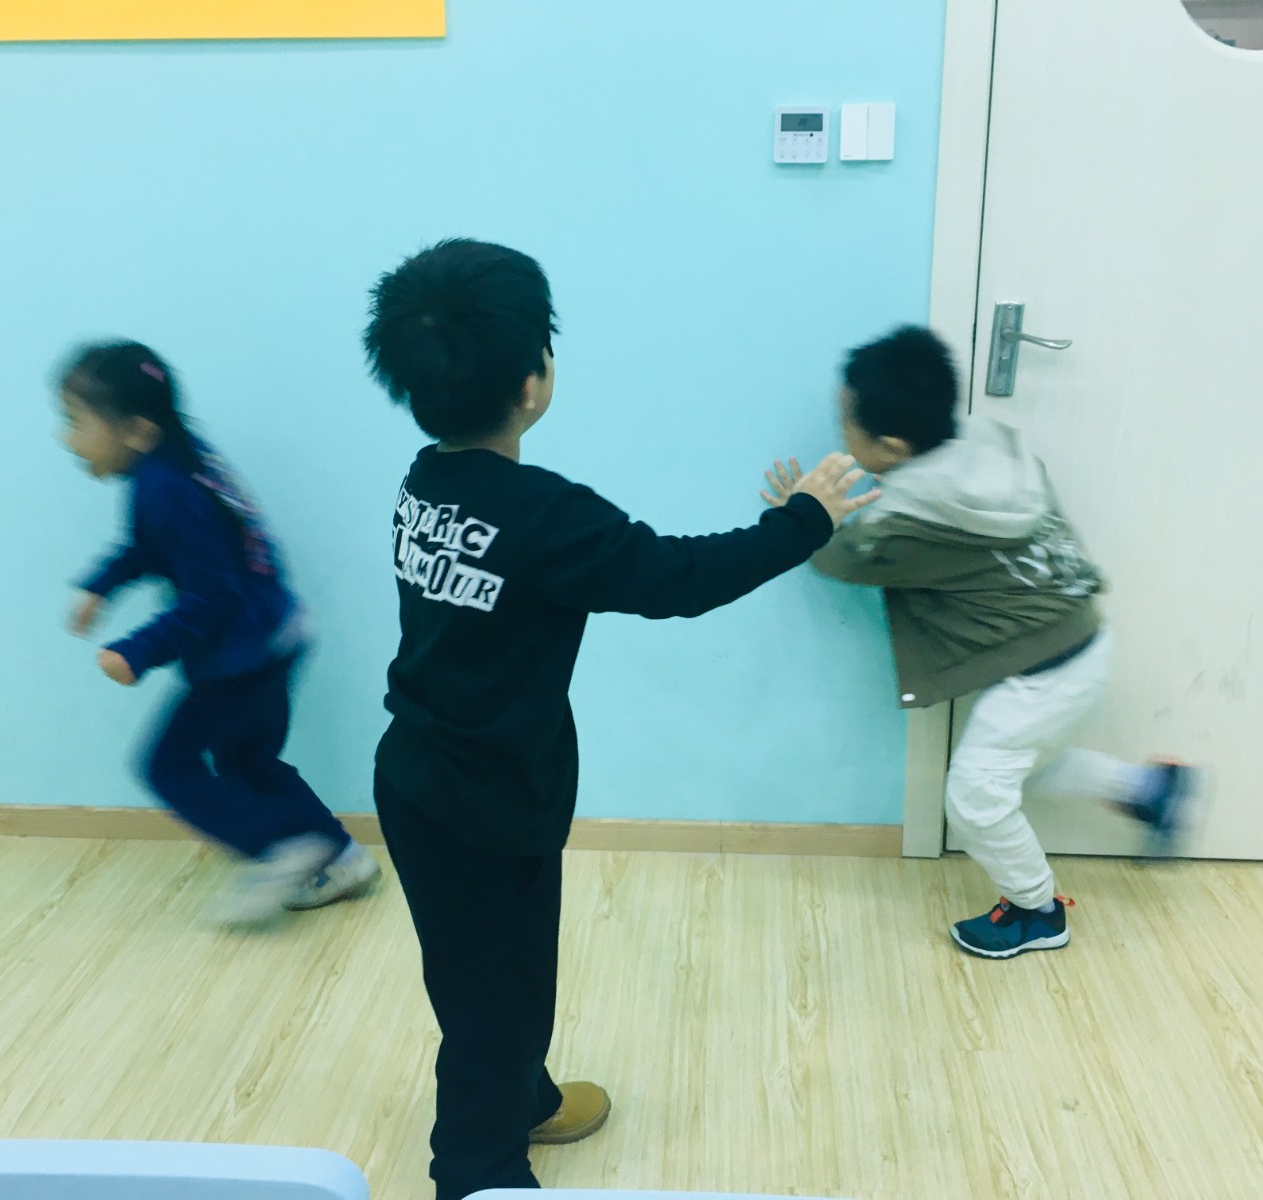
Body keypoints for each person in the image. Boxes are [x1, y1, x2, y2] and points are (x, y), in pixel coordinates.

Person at [362, 238, 877, 1200]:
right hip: (486, 801)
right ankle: (476, 1170)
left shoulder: (423, 482)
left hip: (426, 780)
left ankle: (522, 1096)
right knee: (489, 1003)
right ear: (533, 383)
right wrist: (805, 520)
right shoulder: (546, 515)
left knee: (495, 975)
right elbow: (679, 579)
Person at [763, 325, 1196, 960]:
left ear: (891, 446)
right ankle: (1149, 791)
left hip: (1044, 668)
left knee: (973, 795)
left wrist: (800, 515)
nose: (840, 436)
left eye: (844, 426)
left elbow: (846, 559)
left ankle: (1035, 910)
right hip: (1078, 636)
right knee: (1024, 764)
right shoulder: (987, 448)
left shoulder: (910, 517)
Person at [59, 340, 380, 925]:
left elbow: (214, 596)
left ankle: (282, 850)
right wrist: (102, 585)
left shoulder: (165, 488)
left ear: (136, 430)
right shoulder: (176, 458)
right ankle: (342, 858)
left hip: (245, 652)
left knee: (167, 766)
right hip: (275, 633)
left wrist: (138, 651)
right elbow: (151, 548)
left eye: (77, 423)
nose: (67, 438)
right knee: (249, 762)